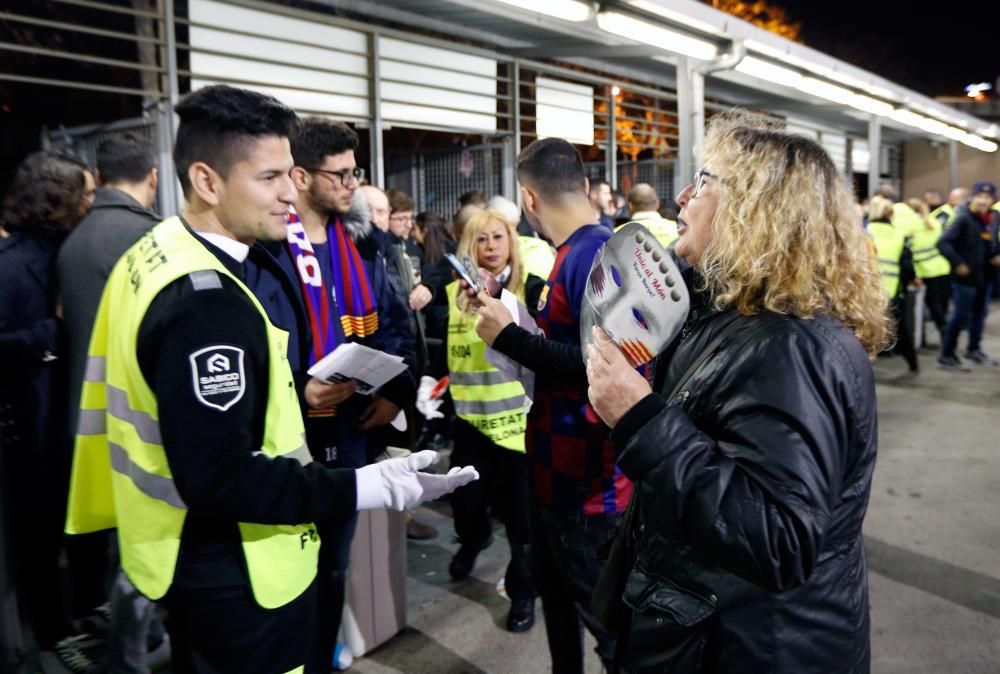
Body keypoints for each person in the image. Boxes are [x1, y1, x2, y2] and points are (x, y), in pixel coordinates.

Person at [64, 84, 476, 674]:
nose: (291, 192)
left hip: (180, 549)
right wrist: (365, 486)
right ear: (207, 181)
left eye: (291, 174)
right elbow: (220, 475)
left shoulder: (157, 252)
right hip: (237, 565)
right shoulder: (205, 303)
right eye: (270, 177)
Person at [585, 112, 889, 673]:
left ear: (757, 208)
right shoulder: (742, 313)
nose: (682, 195)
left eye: (703, 181)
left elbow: (780, 538)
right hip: (711, 629)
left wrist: (642, 421)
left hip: (750, 647)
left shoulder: (792, 347)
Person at [243, 116, 421, 673]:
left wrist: (395, 394)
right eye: (339, 175)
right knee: (289, 574)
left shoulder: (363, 246)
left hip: (351, 434)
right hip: (291, 440)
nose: (350, 185)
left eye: (354, 173)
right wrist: (300, 394)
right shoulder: (265, 253)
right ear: (300, 176)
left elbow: (393, 325)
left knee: (335, 568)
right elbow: (254, 349)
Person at [467, 138, 631, 673]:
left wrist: (509, 337)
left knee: (608, 629)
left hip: (587, 485)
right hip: (555, 474)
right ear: (584, 186)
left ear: (528, 200)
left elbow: (602, 363)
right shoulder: (575, 253)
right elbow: (563, 341)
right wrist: (506, 313)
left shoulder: (595, 255)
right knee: (560, 607)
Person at [56, 132, 167, 673]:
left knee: (113, 544)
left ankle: (112, 633)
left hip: (86, 411)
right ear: (152, 176)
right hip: (138, 417)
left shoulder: (74, 239)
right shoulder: (149, 240)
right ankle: (134, 650)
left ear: (98, 177)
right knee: (143, 546)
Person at [0, 150, 94, 653]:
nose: (92, 203)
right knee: (38, 545)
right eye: (85, 193)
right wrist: (55, 329)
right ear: (58, 200)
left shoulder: (74, 255)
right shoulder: (9, 266)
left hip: (71, 419)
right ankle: (53, 636)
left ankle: (81, 622)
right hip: (30, 431)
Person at [444, 209, 545, 633]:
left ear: (512, 241)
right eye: (481, 239)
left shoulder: (530, 289)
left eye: (498, 237)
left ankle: (523, 593)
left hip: (517, 428)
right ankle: (474, 538)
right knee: (465, 504)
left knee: (522, 523)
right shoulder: (452, 292)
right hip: (469, 421)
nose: (490, 246)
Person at [936, 180, 1000, 370]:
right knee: (959, 317)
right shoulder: (963, 217)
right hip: (965, 279)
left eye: (987, 197)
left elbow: (990, 243)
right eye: (980, 196)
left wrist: (995, 255)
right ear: (973, 197)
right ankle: (946, 355)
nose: (983, 200)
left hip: (984, 277)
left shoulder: (991, 218)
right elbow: (943, 243)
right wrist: (959, 263)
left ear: (992, 200)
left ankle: (973, 349)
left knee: (979, 316)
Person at [867, 196, 919, 373]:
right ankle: (912, 362)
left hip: (868, 291)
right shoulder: (899, 234)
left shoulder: (865, 231)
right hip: (893, 290)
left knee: (863, 330)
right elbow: (907, 265)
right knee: (901, 328)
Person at [904, 197, 950, 347]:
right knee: (939, 307)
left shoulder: (909, 225)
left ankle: (930, 339)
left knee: (922, 308)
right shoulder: (934, 222)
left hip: (922, 271)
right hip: (941, 268)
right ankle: (945, 337)